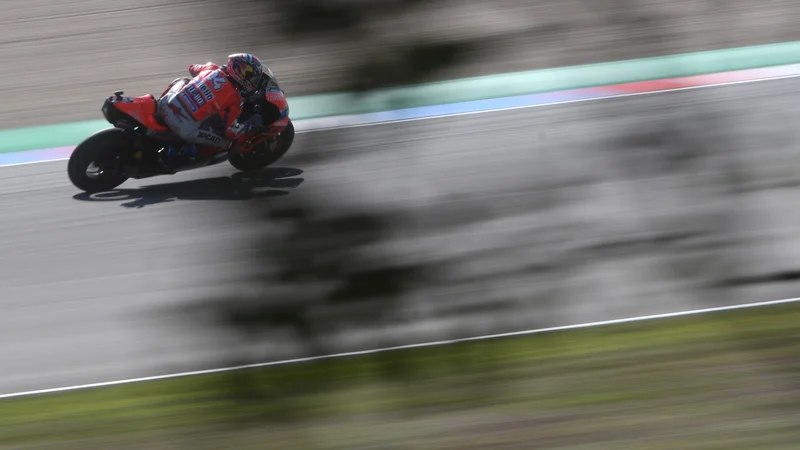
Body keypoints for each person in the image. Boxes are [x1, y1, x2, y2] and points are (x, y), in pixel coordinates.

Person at [155, 53, 287, 166]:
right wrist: (248, 125)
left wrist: (204, 85)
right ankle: (179, 151)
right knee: (225, 143)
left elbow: (192, 68)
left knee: (182, 80)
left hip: (165, 104)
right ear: (239, 72)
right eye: (250, 76)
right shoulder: (236, 98)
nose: (253, 80)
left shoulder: (211, 68)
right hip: (182, 127)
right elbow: (230, 131)